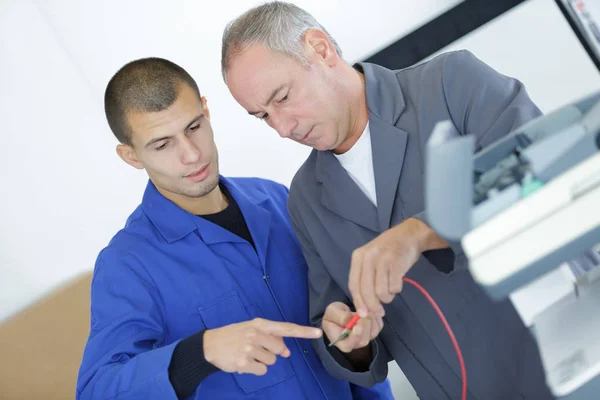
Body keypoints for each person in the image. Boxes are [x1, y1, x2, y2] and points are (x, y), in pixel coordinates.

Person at [221, 2, 555, 399]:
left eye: (283, 97)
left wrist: (419, 232)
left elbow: (543, 165)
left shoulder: (451, 82)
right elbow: (339, 326)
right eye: (262, 116)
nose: (281, 128)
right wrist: (349, 339)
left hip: (567, 349)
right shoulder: (307, 198)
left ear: (319, 48)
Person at [75, 57, 394, 400]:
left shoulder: (277, 199)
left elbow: (347, 336)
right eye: (163, 144)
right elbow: (98, 390)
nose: (192, 155)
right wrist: (201, 352)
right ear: (131, 156)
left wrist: (354, 343)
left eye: (194, 127)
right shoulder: (127, 265)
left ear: (206, 111)